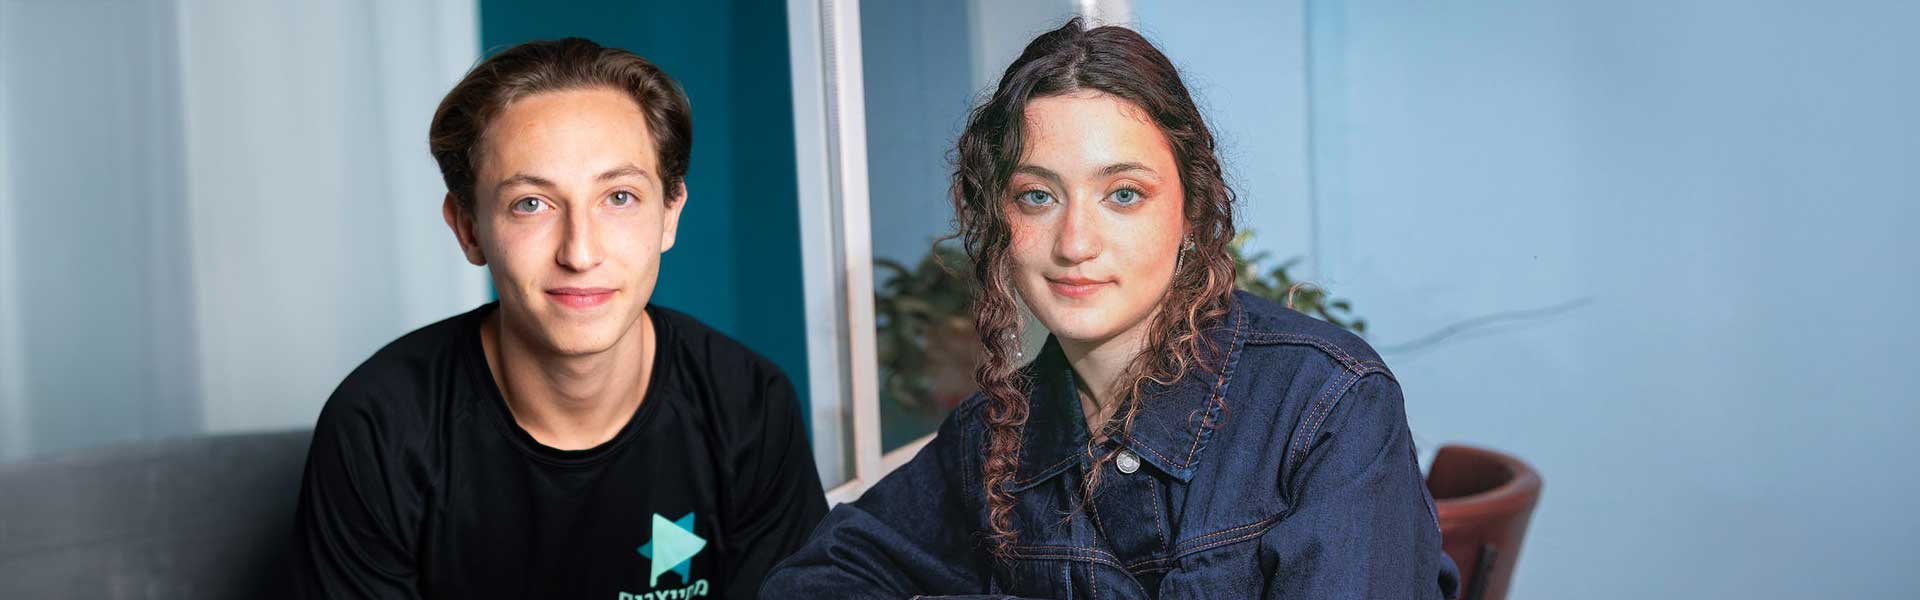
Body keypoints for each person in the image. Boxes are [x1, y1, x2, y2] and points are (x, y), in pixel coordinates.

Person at [765, 19, 1459, 599]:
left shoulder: (1324, 404)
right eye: (1038, 196)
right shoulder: (994, 436)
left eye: (1123, 194)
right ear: (998, 222)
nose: (1075, 243)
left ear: (1191, 212)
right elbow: (814, 582)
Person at [293, 38, 826, 599]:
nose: (579, 252)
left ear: (670, 215)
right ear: (469, 229)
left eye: (619, 197)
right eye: (531, 203)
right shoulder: (379, 428)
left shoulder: (749, 406)